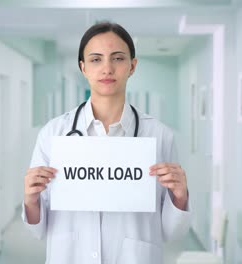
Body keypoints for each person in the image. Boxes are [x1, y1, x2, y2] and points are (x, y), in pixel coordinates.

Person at [23, 21, 191, 264]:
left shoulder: (159, 135)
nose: (107, 68)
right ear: (83, 67)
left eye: (118, 58)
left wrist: (180, 197)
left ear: (132, 66)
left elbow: (171, 232)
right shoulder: (53, 134)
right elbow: (37, 229)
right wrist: (30, 199)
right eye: (95, 59)